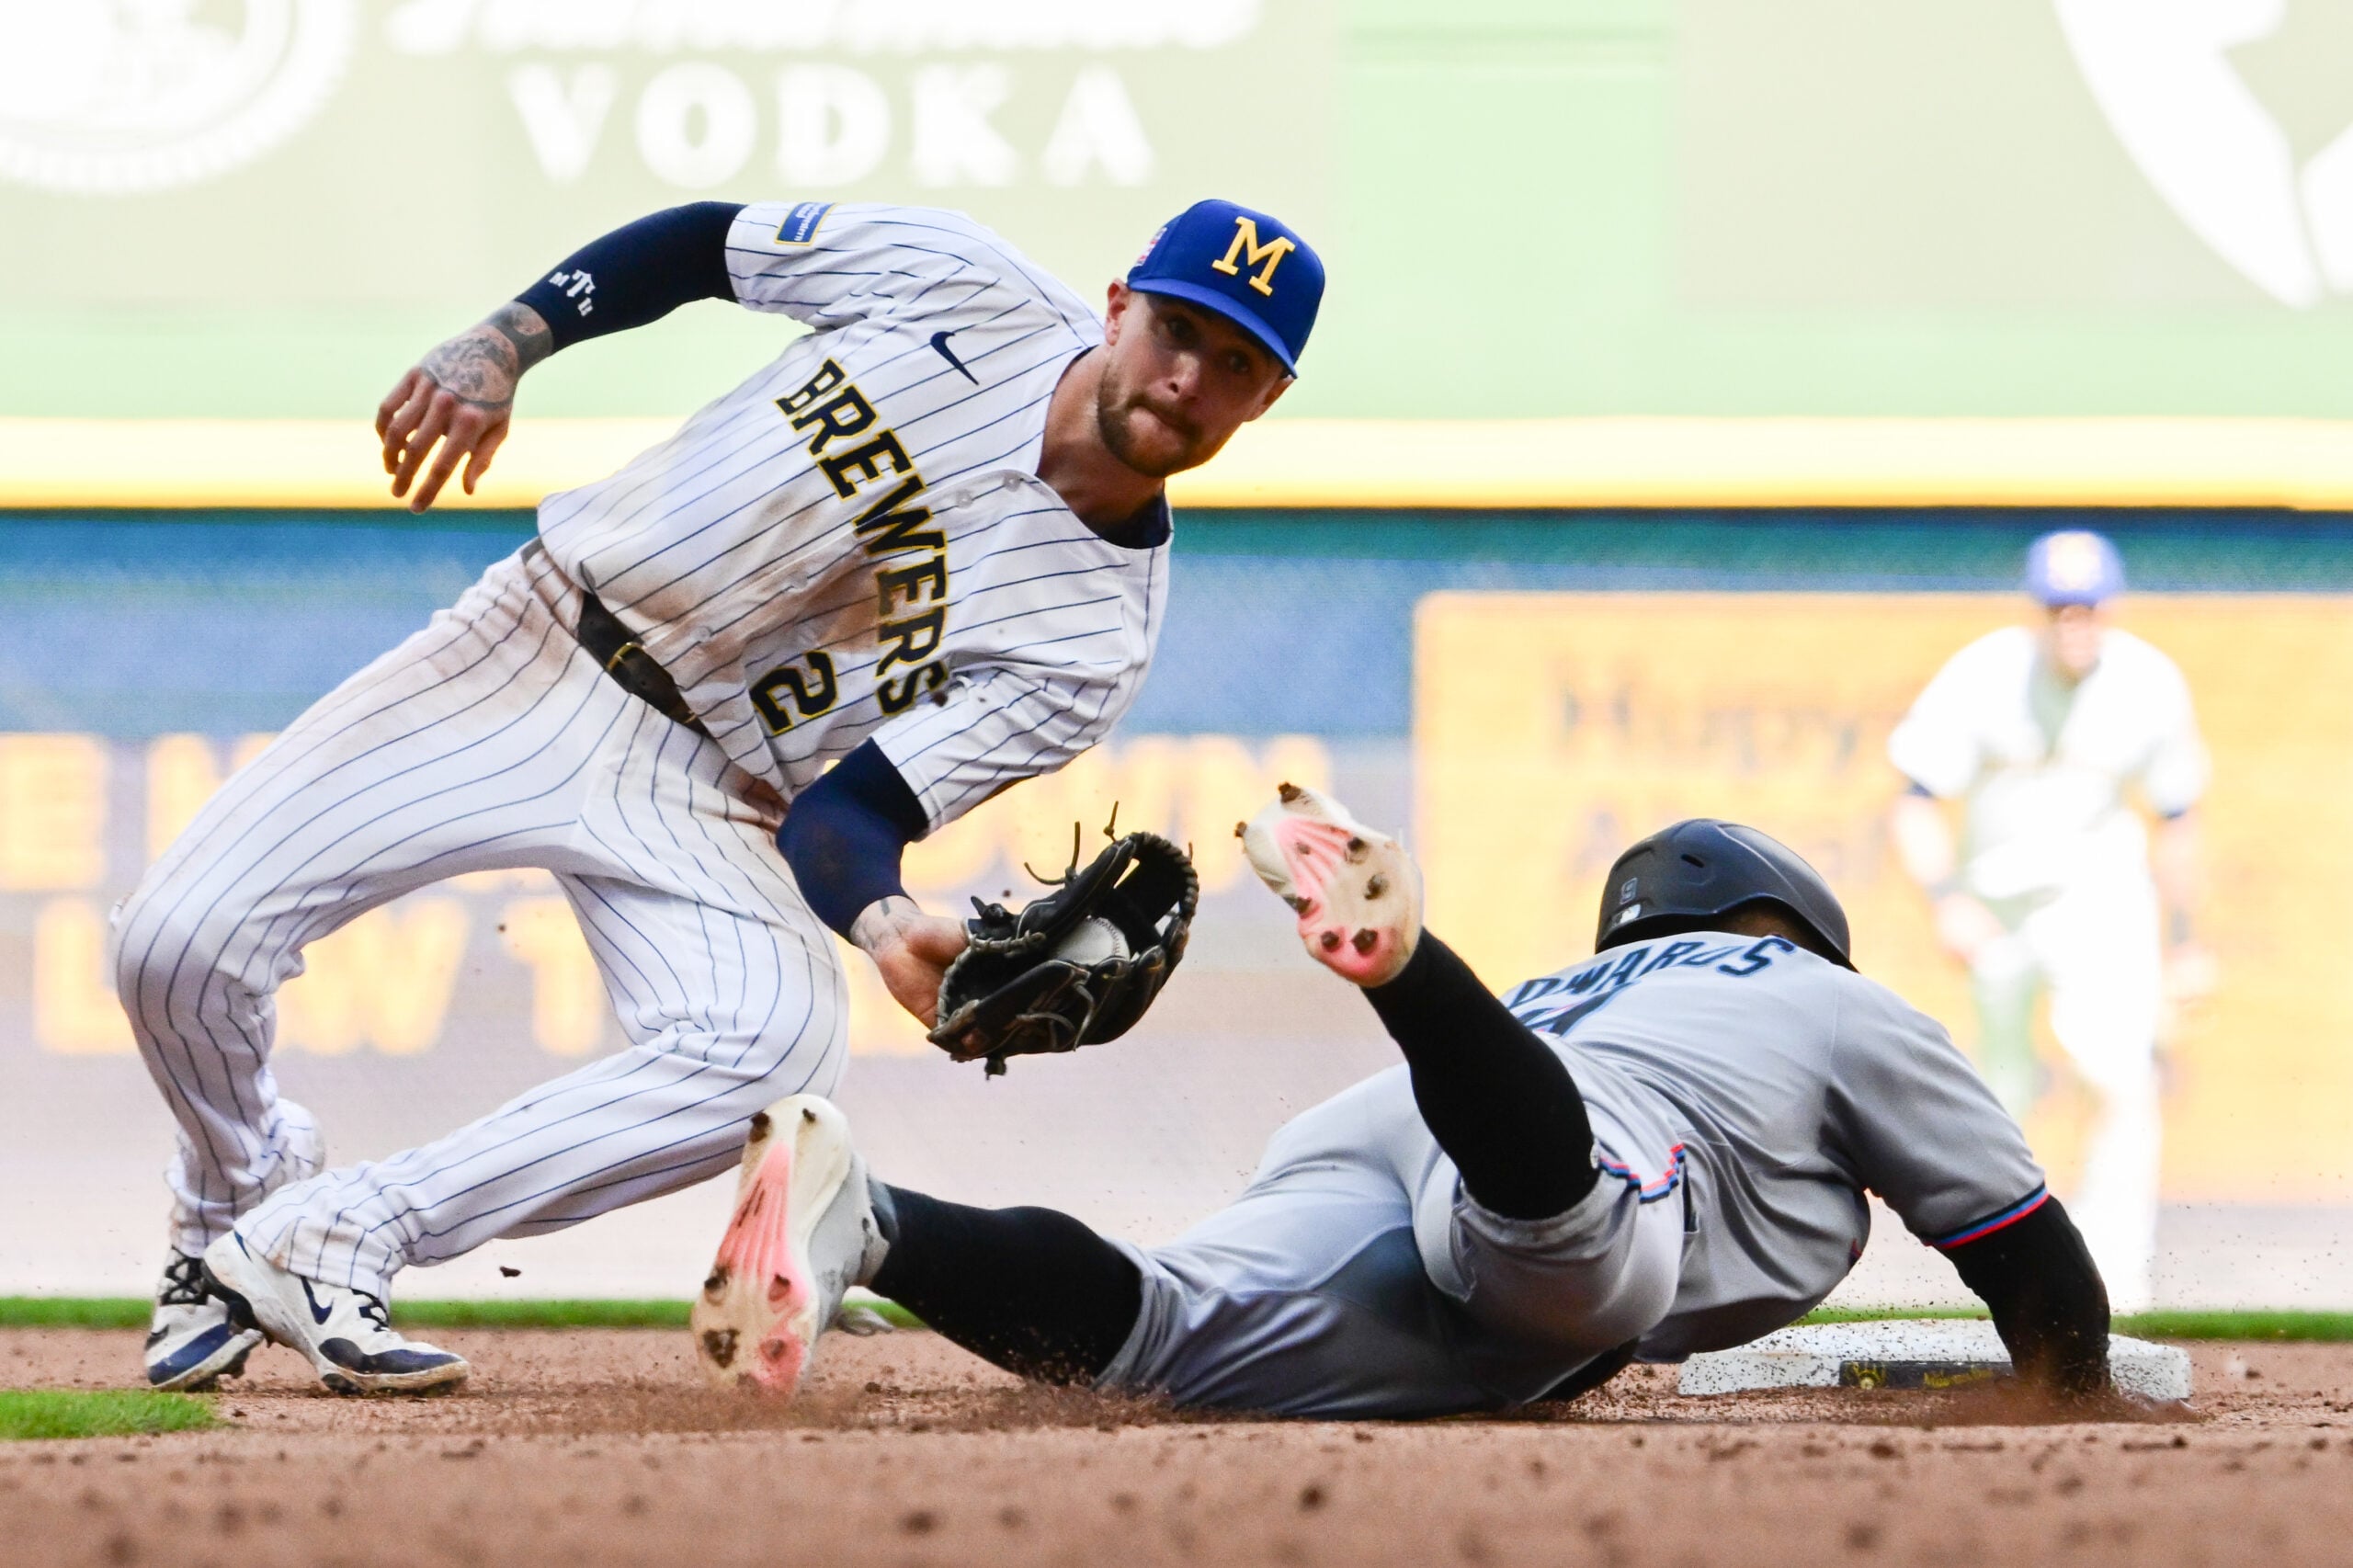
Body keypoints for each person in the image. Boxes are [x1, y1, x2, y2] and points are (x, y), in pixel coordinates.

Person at [127, 196, 1323, 1394]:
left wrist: (888, 923)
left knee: (773, 1051)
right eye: (1174, 329)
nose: (1186, 378)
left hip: (713, 792)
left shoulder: (1091, 641)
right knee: (173, 945)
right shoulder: (968, 285)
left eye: (1234, 364)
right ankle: (237, 1197)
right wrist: (510, 339)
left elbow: (847, 815)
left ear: (1268, 401)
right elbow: (708, 243)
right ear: (1118, 308)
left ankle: (337, 1231)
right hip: (536, 644)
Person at [691, 787, 2113, 1417]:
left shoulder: (1589, 982)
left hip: (1407, 1113)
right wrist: (2075, 1389)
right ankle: (1411, 968)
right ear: (1794, 919)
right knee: (1583, 1250)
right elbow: (2018, 1236)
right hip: (1575, 1145)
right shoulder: (1826, 993)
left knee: (1160, 1331)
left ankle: (868, 1218)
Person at [1887, 529, 2209, 1313]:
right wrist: (1947, 899)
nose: (2076, 621)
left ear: (2110, 606)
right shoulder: (1986, 674)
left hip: (2100, 900)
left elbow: (2177, 817)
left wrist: (2187, 938)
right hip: (1996, 902)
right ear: (2040, 609)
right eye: (2061, 606)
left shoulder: (2147, 681)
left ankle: (2118, 1284)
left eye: (2088, 605)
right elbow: (1917, 800)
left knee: (2119, 1074)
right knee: (1999, 1092)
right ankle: (2010, 1280)